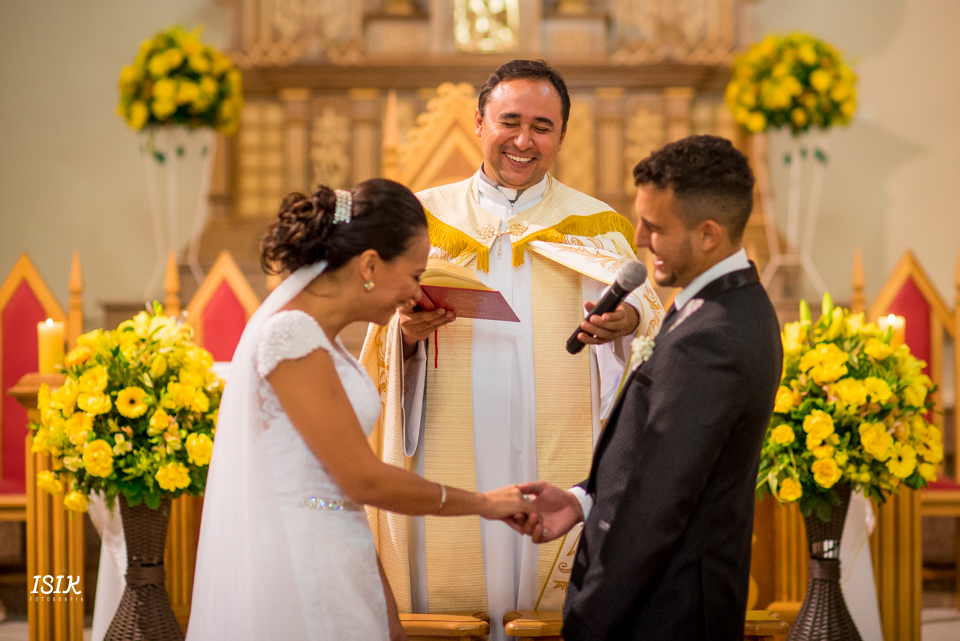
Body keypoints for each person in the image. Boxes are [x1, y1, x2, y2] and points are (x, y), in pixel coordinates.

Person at [361, 60, 663, 636]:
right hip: (446, 443)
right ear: (479, 122)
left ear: (563, 135)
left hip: (555, 451)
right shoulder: (420, 219)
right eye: (510, 121)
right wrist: (405, 337)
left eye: (543, 126)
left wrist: (623, 324)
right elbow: (378, 339)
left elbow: (649, 325)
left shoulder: (596, 227)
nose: (524, 140)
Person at [187, 179, 534, 641]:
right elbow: (361, 479)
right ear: (369, 264)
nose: (416, 294)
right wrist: (484, 503)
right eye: (413, 275)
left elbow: (340, 487)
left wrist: (382, 600)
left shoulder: (322, 338)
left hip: (338, 551)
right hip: (298, 561)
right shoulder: (290, 336)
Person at [516, 136, 784, 640]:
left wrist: (589, 618)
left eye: (655, 227)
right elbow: (658, 459)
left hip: (665, 610)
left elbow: (660, 502)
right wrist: (583, 501)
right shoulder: (732, 304)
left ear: (708, 234)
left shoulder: (712, 339)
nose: (639, 238)